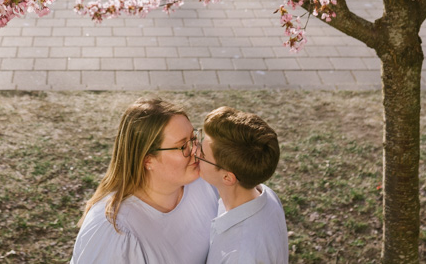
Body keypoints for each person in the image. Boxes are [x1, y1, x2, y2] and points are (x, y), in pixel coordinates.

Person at [71, 97, 219, 264]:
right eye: (183, 146)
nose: (196, 150)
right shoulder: (115, 233)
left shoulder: (204, 184)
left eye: (194, 138)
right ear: (148, 160)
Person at [196, 106, 289, 264]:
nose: (194, 152)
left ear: (227, 177)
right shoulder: (264, 194)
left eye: (202, 154)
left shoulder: (238, 255)